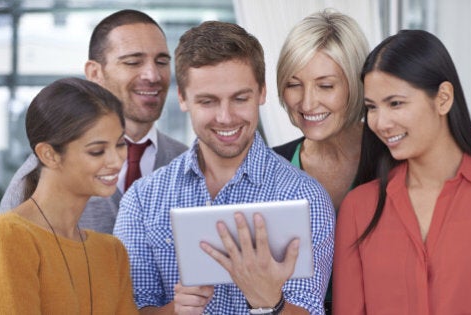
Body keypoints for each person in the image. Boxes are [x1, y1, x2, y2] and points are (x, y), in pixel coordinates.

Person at [113, 21, 335, 315]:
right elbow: (126, 309)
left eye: (240, 99)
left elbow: (309, 308)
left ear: (262, 93)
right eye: (207, 101)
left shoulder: (304, 197)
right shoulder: (143, 199)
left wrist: (270, 300)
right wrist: (174, 311)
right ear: (182, 99)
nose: (225, 117)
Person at [333, 30, 471, 314]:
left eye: (395, 103)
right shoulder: (359, 208)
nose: (381, 122)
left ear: (443, 98)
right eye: (372, 107)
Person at [0, 9, 187, 233]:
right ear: (95, 73)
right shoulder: (44, 173)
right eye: (133, 62)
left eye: (162, 62)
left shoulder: (188, 164)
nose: (153, 75)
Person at [0, 77, 138, 314]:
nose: (116, 160)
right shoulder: (7, 237)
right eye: (97, 150)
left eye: (120, 144)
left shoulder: (112, 252)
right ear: (49, 154)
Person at [272, 9, 369, 314]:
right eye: (293, 84)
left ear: (356, 84)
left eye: (325, 86)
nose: (307, 102)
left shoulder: (395, 162)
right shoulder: (272, 165)